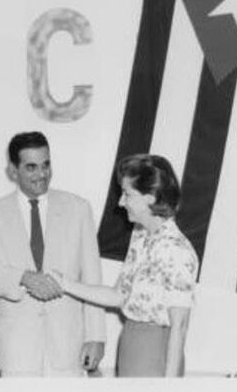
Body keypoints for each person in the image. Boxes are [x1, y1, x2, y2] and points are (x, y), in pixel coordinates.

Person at [0, 131, 106, 376]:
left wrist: (96, 336)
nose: (42, 174)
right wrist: (24, 277)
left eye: (46, 165)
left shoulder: (78, 209)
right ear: (13, 170)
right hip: (17, 349)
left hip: (69, 346)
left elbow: (92, 277)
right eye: (31, 167)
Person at [51, 154, 199, 377]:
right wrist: (64, 284)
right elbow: (117, 296)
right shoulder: (140, 235)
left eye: (127, 194)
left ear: (150, 198)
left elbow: (180, 327)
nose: (120, 202)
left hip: (156, 350)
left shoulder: (176, 249)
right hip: (130, 342)